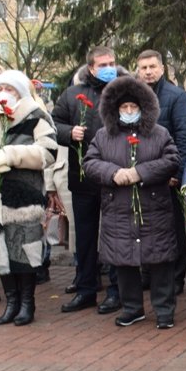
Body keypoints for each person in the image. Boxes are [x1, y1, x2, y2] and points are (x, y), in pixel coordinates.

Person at [84, 76, 181, 328]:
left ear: (143, 107)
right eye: (124, 107)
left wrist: (140, 172)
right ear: (115, 109)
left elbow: (172, 160)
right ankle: (132, 308)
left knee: (160, 261)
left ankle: (164, 309)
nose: (128, 111)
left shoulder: (159, 133)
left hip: (154, 208)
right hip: (118, 209)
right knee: (123, 260)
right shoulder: (103, 136)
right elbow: (90, 163)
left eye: (133, 107)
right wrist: (113, 173)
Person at [0, 70, 57, 326]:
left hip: (24, 194)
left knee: (24, 248)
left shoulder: (36, 116)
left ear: (19, 91)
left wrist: (11, 155)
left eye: (9, 89)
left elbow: (48, 152)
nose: (3, 94)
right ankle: (11, 302)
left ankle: (27, 303)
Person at [52, 47, 123, 314]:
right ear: (91, 68)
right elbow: (53, 124)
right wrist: (69, 132)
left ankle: (117, 291)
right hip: (82, 178)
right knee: (84, 237)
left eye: (112, 63)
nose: (109, 68)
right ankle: (86, 290)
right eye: (103, 64)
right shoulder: (72, 95)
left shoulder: (124, 91)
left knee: (114, 235)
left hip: (114, 176)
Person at [135, 49, 186, 295]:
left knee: (173, 228)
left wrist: (176, 172)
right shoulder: (134, 96)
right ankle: (148, 273)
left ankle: (176, 276)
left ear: (161, 68)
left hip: (167, 174)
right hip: (142, 174)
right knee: (145, 227)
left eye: (152, 67)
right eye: (144, 68)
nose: (148, 72)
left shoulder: (176, 96)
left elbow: (183, 136)